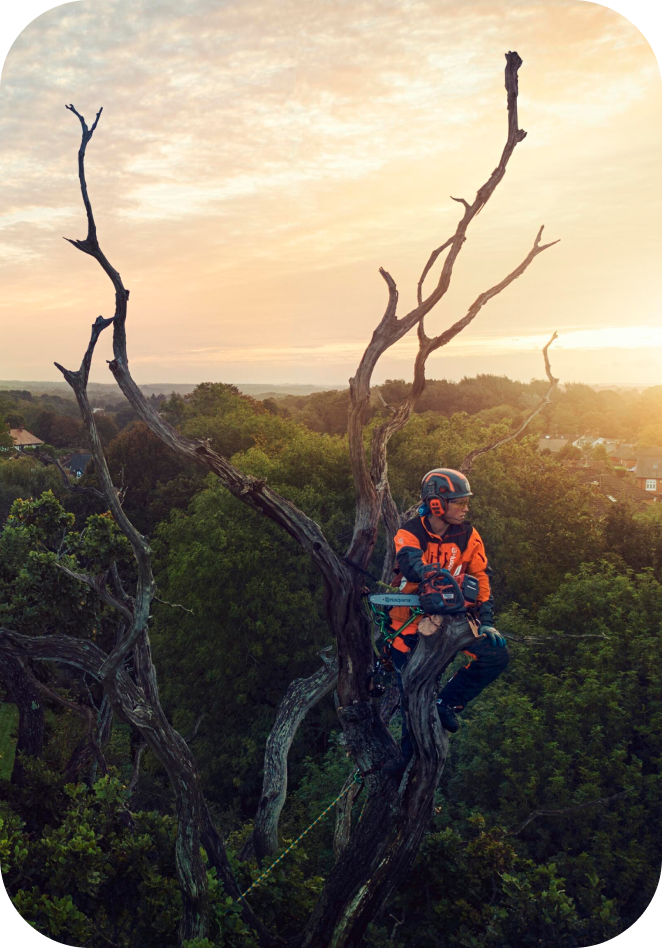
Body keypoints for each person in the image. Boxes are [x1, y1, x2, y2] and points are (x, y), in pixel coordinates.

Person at [383, 468, 509, 775]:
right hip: (410, 626)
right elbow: (412, 565)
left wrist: (487, 619)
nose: (466, 507)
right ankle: (405, 762)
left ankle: (448, 702)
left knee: (495, 656)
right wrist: (431, 577)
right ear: (437, 503)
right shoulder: (410, 532)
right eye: (459, 501)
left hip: (455, 621)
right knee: (413, 694)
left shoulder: (468, 534)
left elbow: (480, 576)